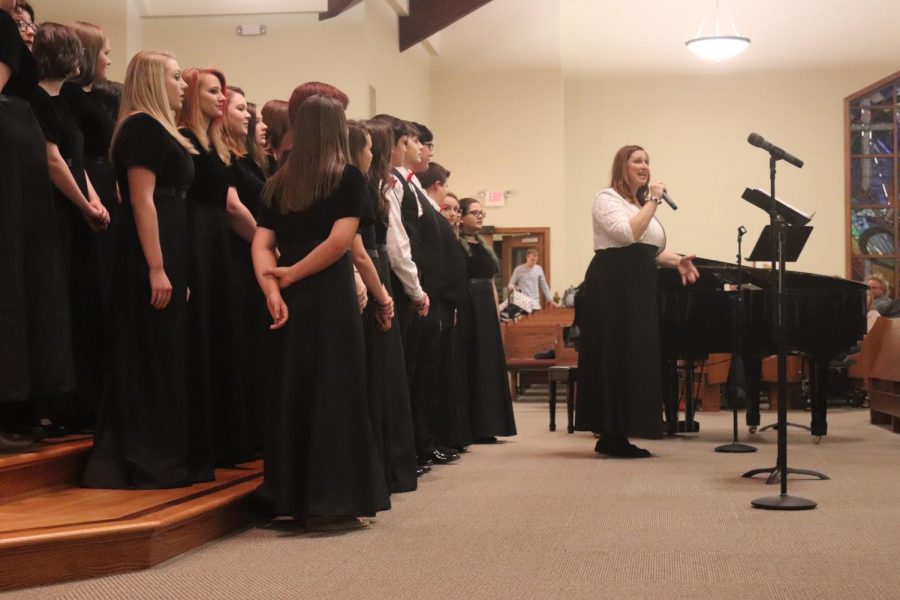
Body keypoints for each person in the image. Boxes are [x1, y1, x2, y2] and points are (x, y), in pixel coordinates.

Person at [252, 93, 390, 530]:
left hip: (290, 299)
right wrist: (289, 277)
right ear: (336, 130)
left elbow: (260, 244)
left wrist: (271, 287)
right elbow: (338, 243)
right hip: (328, 296)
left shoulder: (278, 181)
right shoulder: (347, 178)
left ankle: (291, 495)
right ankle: (334, 497)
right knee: (336, 390)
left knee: (293, 391)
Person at [81, 50, 197, 488]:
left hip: (168, 246)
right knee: (149, 356)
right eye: (175, 76)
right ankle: (145, 458)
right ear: (152, 80)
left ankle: (162, 453)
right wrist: (157, 267)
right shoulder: (143, 128)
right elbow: (141, 200)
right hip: (147, 253)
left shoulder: (155, 126)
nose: (182, 84)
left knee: (164, 355)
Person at [574, 145, 698, 458]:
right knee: (615, 354)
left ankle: (620, 432)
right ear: (622, 167)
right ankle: (610, 434)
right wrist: (655, 199)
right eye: (638, 161)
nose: (645, 167)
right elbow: (627, 235)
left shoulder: (638, 203)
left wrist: (677, 261)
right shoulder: (607, 199)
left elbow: (649, 249)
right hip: (613, 285)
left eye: (647, 162)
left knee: (634, 355)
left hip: (637, 283)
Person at [1, 0, 74, 451]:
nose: (28, 28)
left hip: (14, 156)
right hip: (10, 155)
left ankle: (15, 408)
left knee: (17, 282)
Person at [178, 68, 257, 473]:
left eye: (224, 92)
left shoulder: (214, 144)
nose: (222, 99)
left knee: (219, 336)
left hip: (215, 245)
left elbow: (230, 205)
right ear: (193, 96)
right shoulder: (187, 139)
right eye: (214, 92)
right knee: (201, 335)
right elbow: (228, 206)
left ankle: (224, 440)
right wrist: (265, 243)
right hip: (195, 241)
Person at [458, 197, 517, 443]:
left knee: (489, 365)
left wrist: (495, 312)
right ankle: (472, 426)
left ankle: (489, 425)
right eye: (474, 212)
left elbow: (491, 281)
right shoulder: (456, 243)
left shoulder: (484, 245)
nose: (480, 216)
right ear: (461, 217)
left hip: (485, 308)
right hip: (468, 305)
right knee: (472, 362)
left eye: (482, 213)